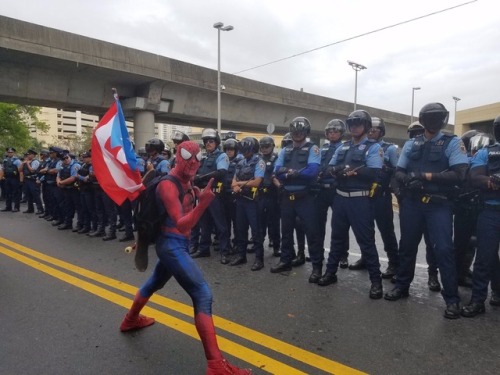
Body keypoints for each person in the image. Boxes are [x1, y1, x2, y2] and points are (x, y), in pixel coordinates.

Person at [119, 141, 251, 375]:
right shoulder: (169, 186)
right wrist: (205, 203)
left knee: (154, 283)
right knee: (202, 293)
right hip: (172, 246)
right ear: (177, 158)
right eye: (187, 157)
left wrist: (197, 197)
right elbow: (181, 224)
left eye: (196, 158)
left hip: (175, 244)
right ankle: (215, 365)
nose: (192, 163)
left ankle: (130, 319)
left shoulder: (187, 180)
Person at [386, 102, 469, 319]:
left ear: (443, 119)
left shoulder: (452, 142)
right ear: (423, 120)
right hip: (413, 204)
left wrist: (423, 177)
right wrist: (407, 181)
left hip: (438, 205)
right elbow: (399, 172)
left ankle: (452, 299)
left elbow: (459, 174)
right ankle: (402, 287)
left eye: (438, 117)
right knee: (407, 246)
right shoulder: (412, 144)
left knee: (443, 250)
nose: (434, 121)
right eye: (430, 118)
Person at [318, 110, 384, 300]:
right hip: (340, 198)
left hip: (360, 199)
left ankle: (376, 282)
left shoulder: (373, 147)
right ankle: (330, 273)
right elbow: (330, 168)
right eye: (352, 124)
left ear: (366, 126)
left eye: (359, 123)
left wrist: (351, 171)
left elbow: (374, 172)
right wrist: (341, 170)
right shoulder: (343, 147)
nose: (354, 127)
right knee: (337, 239)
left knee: (366, 241)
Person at [271, 117, 323, 284]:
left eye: (300, 132)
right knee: (285, 231)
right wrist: (295, 172)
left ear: (306, 133)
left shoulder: (313, 149)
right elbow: (276, 170)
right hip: (287, 197)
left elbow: (312, 172)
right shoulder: (285, 150)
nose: (297, 134)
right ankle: (286, 261)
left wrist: (289, 173)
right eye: (295, 132)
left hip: (305, 197)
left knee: (311, 233)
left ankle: (316, 267)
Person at [461, 117, 500, 317]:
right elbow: (474, 178)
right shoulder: (486, 153)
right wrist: (491, 181)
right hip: (490, 212)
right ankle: (477, 301)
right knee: (484, 258)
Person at [352, 117, 399, 278]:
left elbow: (397, 171)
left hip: (381, 195)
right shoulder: (362, 147)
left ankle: (394, 263)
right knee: (365, 230)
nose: (371, 132)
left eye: (375, 130)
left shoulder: (389, 149)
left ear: (382, 132)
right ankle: (366, 258)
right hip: (365, 195)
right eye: (369, 129)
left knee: (386, 231)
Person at [191, 128, 231, 264]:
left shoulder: (221, 156)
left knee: (221, 224)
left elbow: (221, 172)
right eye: (206, 141)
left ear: (217, 142)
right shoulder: (202, 156)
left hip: (215, 194)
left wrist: (200, 177)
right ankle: (204, 249)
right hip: (201, 193)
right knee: (204, 223)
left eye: (211, 141)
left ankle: (225, 252)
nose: (208, 143)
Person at [315, 119, 349, 269]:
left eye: (336, 131)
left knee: (340, 224)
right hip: (321, 189)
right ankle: (318, 252)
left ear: (341, 133)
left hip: (336, 189)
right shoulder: (322, 148)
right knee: (318, 223)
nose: (333, 134)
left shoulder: (345, 148)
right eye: (330, 131)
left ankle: (343, 255)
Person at [230, 137, 265, 270]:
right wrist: (235, 186)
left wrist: (238, 184)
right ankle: (241, 255)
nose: (245, 151)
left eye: (247, 149)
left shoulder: (259, 161)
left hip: (253, 201)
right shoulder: (240, 161)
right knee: (240, 229)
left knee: (256, 231)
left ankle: (259, 259)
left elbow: (257, 182)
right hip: (240, 200)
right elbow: (233, 180)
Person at [257, 136, 281, 257]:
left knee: (274, 222)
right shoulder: (258, 159)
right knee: (260, 222)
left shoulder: (277, 158)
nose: (265, 149)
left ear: (272, 146)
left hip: (272, 193)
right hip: (260, 193)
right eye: (262, 147)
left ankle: (277, 246)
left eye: (267, 146)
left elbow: (277, 172)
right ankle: (259, 246)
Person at [20, 149, 44, 214]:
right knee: (28, 195)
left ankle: (40, 209)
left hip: (33, 180)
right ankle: (30, 209)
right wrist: (23, 163)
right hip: (26, 180)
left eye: (30, 154)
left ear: (33, 155)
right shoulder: (26, 161)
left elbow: (32, 170)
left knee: (35, 195)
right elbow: (20, 170)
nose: (28, 156)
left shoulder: (35, 162)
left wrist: (27, 163)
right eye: (28, 154)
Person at [1, 147, 22, 212]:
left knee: (15, 193)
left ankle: (16, 207)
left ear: (14, 153)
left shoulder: (17, 161)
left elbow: (20, 171)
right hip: (7, 178)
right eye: (9, 152)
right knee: (7, 193)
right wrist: (2, 177)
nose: (10, 153)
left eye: (11, 152)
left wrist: (21, 180)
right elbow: (3, 169)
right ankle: (8, 207)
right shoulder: (5, 160)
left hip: (15, 178)